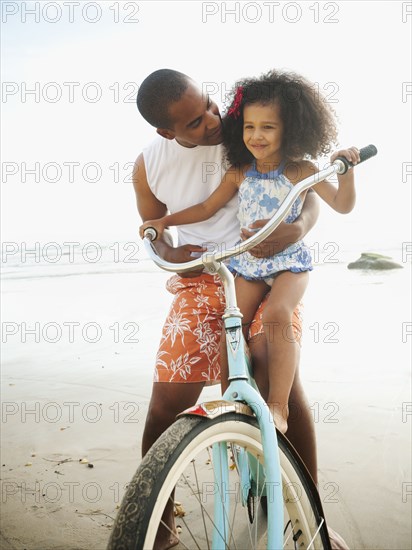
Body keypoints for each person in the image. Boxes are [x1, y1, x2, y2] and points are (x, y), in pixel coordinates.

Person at [133, 68, 348, 549]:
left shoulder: (242, 127)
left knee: (278, 375)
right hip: (204, 278)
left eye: (210, 105)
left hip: (267, 266)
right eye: (193, 122)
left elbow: (303, 184)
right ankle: (157, 528)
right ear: (166, 132)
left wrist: (300, 228)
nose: (211, 121)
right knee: (167, 400)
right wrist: (171, 256)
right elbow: (154, 230)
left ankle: (309, 516)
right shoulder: (148, 165)